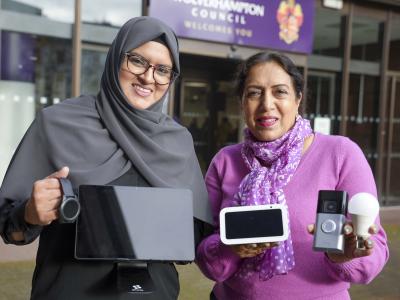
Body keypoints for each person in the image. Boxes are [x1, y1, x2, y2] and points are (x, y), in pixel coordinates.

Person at [0, 16, 211, 300]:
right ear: (115, 58)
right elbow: (9, 228)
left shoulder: (178, 142)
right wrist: (29, 213)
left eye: (163, 70)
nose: (149, 77)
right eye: (137, 61)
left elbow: (194, 238)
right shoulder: (57, 124)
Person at [195, 52, 389, 300]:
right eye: (254, 93)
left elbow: (374, 254)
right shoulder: (225, 161)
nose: (267, 104)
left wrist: (344, 256)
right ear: (242, 103)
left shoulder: (340, 154)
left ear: (298, 99)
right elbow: (206, 257)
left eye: (280, 92)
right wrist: (229, 248)